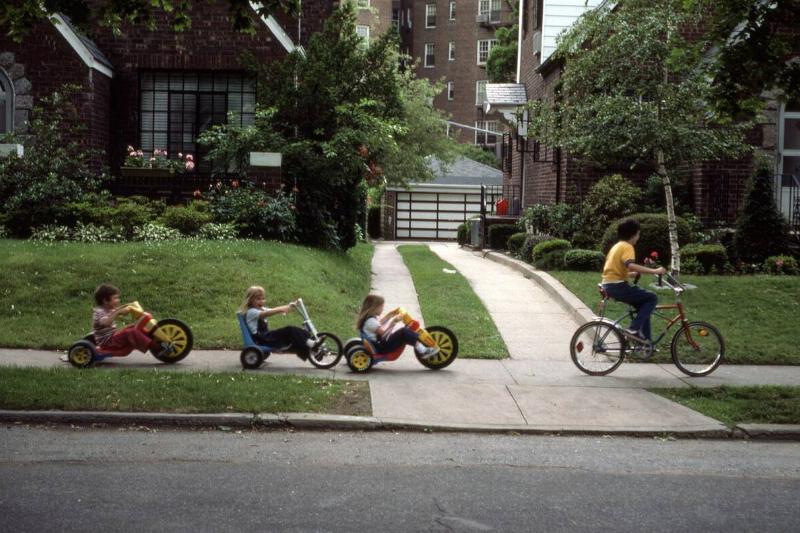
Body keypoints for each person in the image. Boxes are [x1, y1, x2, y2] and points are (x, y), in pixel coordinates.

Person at [601, 219, 667, 344]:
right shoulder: (628, 246)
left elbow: (617, 269)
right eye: (638, 234)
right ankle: (633, 329)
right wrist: (655, 271)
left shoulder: (617, 246)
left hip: (609, 284)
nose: (638, 237)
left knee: (644, 305)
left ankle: (645, 342)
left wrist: (633, 274)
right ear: (633, 234)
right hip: (618, 286)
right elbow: (630, 264)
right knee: (652, 298)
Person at [239, 286, 321, 360]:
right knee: (290, 330)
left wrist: (289, 306)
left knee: (295, 332)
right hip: (261, 339)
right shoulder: (252, 312)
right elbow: (268, 313)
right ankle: (312, 345)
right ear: (250, 300)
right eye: (258, 299)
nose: (261, 301)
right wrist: (281, 309)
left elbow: (272, 309)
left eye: (263, 298)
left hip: (265, 336)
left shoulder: (261, 309)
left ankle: (313, 351)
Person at [90, 283, 167, 357]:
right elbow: (106, 323)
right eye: (115, 298)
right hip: (107, 342)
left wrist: (129, 306)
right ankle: (156, 347)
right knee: (130, 332)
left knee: (133, 327)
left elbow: (118, 310)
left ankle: (152, 339)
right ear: (105, 301)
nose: (118, 300)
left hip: (112, 336)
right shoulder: (99, 312)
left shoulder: (108, 309)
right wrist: (118, 312)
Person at [355, 294, 439, 358]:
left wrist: (391, 314)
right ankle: (423, 351)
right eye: (381, 307)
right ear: (374, 307)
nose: (382, 309)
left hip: (379, 344)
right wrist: (393, 322)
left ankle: (421, 347)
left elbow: (380, 323)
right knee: (404, 332)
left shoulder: (369, 319)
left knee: (403, 331)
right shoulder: (371, 322)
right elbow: (384, 335)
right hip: (382, 347)